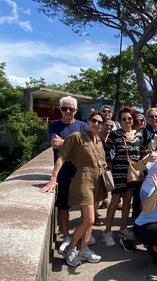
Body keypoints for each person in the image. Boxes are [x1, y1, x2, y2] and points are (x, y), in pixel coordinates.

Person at [41, 111, 108, 267]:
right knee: (89, 219)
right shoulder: (76, 137)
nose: (96, 124)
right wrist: (53, 178)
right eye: (93, 120)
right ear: (88, 120)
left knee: (90, 221)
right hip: (83, 179)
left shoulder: (99, 140)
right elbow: (62, 157)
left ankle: (84, 249)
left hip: (97, 180)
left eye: (99, 122)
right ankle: (70, 248)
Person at [47, 96, 88, 254]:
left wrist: (66, 142)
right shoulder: (55, 126)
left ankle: (83, 234)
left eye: (71, 109)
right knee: (63, 207)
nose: (68, 111)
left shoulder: (83, 125)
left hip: (80, 173)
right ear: (60, 109)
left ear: (76, 110)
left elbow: (87, 146)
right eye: (65, 108)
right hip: (63, 172)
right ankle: (66, 235)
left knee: (84, 205)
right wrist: (76, 143)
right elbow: (55, 144)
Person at [102, 107, 144, 251]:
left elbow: (139, 151)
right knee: (115, 200)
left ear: (133, 119)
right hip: (119, 171)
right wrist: (110, 167)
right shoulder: (114, 134)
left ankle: (123, 227)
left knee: (128, 199)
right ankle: (107, 231)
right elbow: (106, 152)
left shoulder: (139, 134)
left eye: (129, 118)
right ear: (119, 121)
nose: (127, 121)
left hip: (133, 172)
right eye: (124, 119)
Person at [97, 119, 115, 211]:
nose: (109, 127)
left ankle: (105, 200)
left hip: (107, 163)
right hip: (96, 164)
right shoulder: (96, 136)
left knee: (106, 182)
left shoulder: (111, 137)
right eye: (107, 125)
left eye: (111, 126)